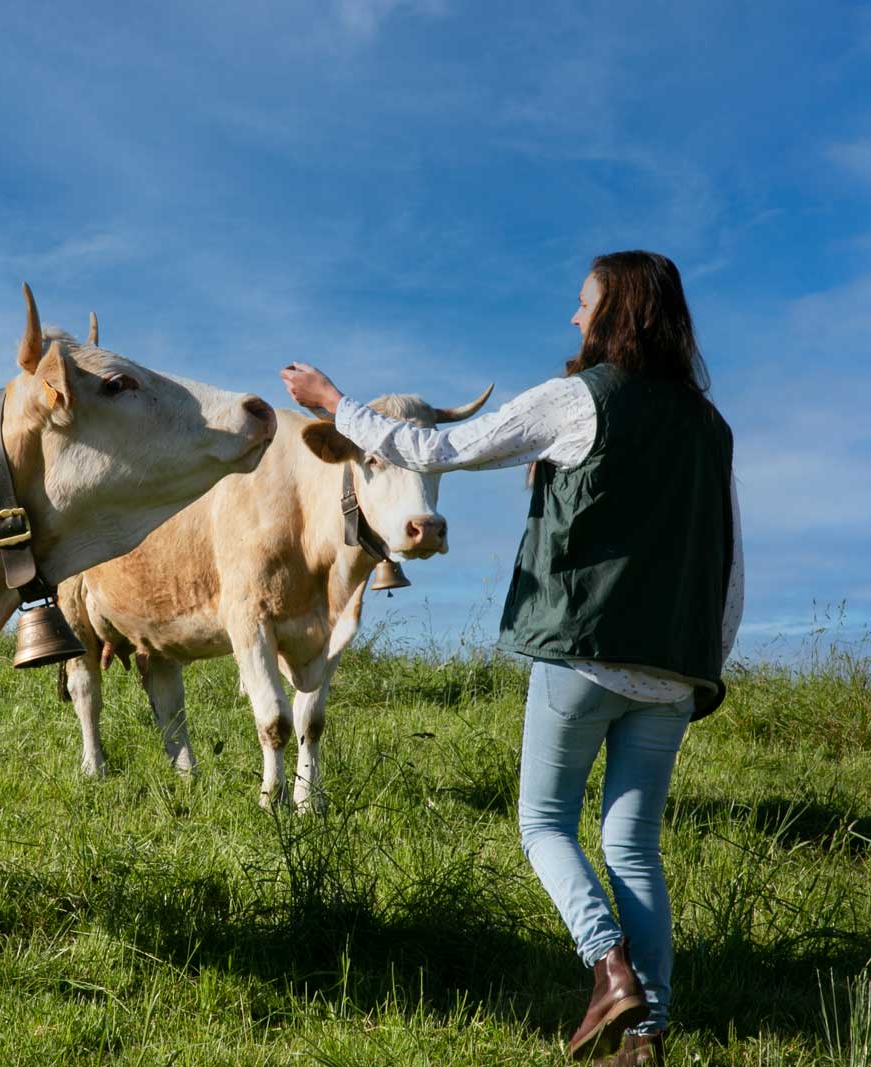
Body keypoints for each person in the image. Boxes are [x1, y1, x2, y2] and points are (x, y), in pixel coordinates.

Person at [280, 251, 742, 1066]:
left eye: (583, 302)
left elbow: (436, 446)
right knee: (635, 847)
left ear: (616, 313)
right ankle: (646, 1037)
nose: (573, 317)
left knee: (542, 822)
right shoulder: (713, 427)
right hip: (676, 671)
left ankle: (608, 967)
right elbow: (728, 558)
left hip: (583, 656)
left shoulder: (577, 401)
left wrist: (333, 402)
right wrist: (706, 664)